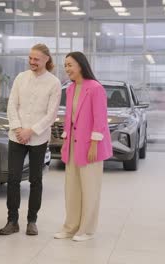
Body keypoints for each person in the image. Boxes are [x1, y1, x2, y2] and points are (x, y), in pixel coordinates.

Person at [0, 44, 61, 236]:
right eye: (31, 58)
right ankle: (12, 221)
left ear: (46, 60)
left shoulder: (54, 83)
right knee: (13, 179)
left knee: (36, 180)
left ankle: (32, 221)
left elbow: (51, 115)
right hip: (16, 136)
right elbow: (12, 104)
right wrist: (18, 128)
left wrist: (31, 131)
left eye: (37, 59)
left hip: (39, 138)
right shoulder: (20, 78)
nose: (32, 62)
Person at [54, 51, 112, 242]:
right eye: (65, 65)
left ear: (80, 65)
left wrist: (95, 143)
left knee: (90, 189)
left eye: (70, 64)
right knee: (72, 189)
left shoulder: (95, 88)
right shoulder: (70, 89)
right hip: (72, 145)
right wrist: (65, 140)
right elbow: (70, 118)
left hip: (90, 146)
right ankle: (70, 227)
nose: (67, 69)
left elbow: (100, 119)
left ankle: (86, 230)